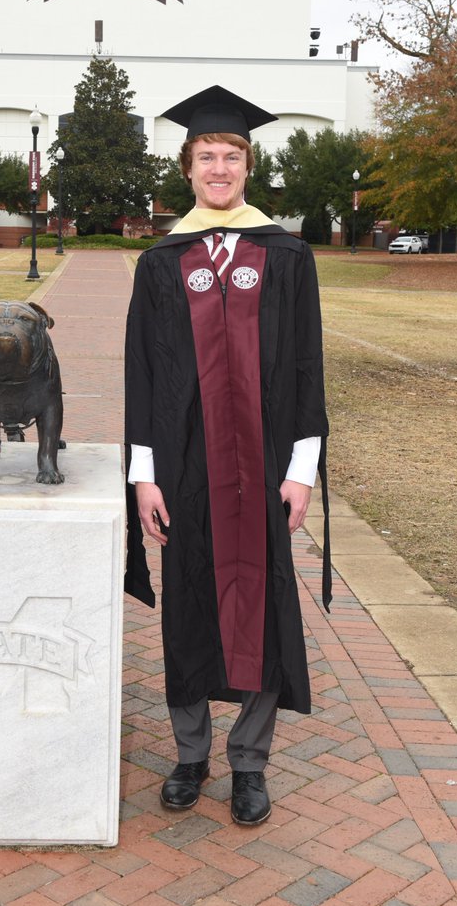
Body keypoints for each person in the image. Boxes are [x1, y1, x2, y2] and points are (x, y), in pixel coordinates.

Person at [124, 85, 331, 826]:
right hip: (183, 467)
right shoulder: (160, 262)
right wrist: (142, 477)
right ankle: (189, 755)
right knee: (185, 606)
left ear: (248, 166)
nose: (219, 168)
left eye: (231, 156)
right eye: (207, 156)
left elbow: (305, 366)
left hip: (264, 466)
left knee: (265, 606)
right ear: (187, 168)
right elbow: (141, 377)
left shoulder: (286, 255)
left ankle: (249, 763)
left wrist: (299, 470)